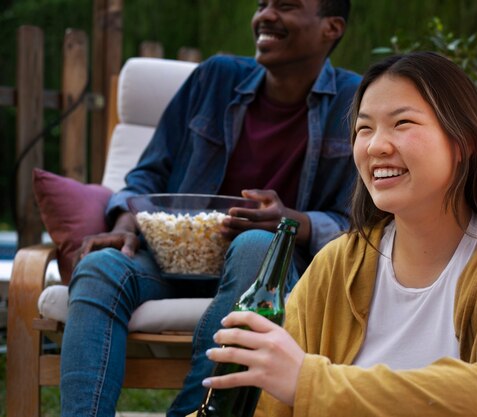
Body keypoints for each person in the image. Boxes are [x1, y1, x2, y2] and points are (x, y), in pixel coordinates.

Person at [198, 52, 477, 417]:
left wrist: (309, 382)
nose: (376, 146)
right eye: (364, 128)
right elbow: (263, 406)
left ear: (464, 142)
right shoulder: (339, 264)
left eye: (402, 123)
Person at [59, 1, 360, 416]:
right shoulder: (215, 78)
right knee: (100, 267)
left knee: (258, 243)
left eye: (285, 6)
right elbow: (147, 173)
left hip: (272, 277)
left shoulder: (353, 103)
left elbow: (357, 224)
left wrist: (290, 221)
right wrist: (126, 222)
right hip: (174, 262)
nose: (265, 16)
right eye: (261, 4)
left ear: (331, 27)